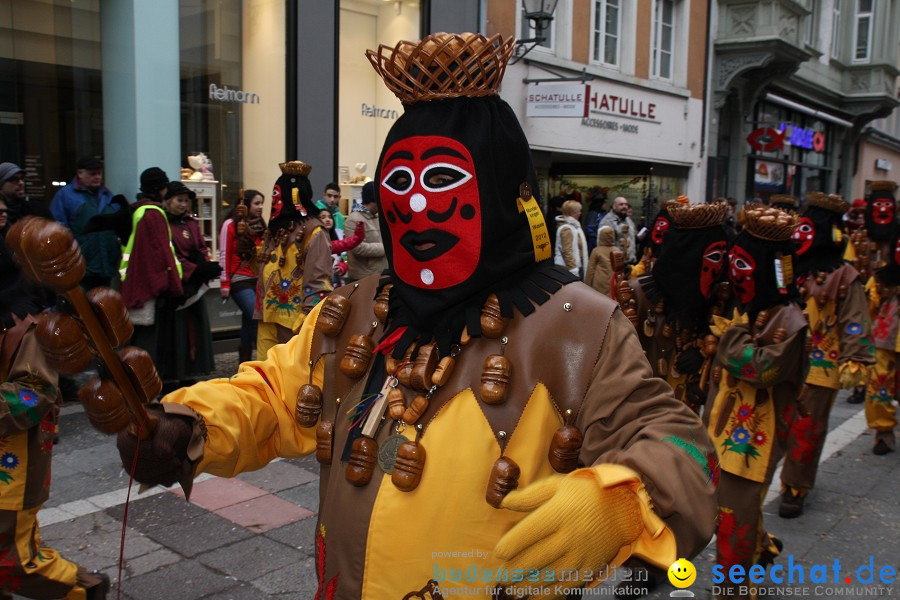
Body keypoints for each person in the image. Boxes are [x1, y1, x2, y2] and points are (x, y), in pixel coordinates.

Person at [114, 32, 717, 599]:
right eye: (400, 180)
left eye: (445, 177)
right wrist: (189, 424)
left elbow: (680, 447)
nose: (418, 204)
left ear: (500, 189)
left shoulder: (578, 324)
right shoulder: (356, 307)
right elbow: (276, 395)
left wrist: (622, 501)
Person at [704, 205, 808, 600]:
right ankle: (761, 547)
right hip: (727, 428)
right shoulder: (747, 309)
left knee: (733, 513)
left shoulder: (790, 321)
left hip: (755, 440)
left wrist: (731, 336)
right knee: (732, 505)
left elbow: (761, 369)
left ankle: (733, 587)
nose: (736, 272)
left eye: (746, 264)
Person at [0, 231, 110, 600]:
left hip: (13, 471)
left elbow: (37, 394)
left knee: (14, 560)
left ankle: (82, 590)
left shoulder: (26, 330)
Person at [778, 192, 873, 518]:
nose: (803, 235)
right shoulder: (788, 268)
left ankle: (795, 486)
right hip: (782, 359)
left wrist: (855, 356)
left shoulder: (844, 276)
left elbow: (855, 320)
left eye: (810, 228)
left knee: (808, 428)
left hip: (821, 365)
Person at [630, 199, 729, 412]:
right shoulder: (638, 294)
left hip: (686, 419)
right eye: (713, 257)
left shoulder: (719, 299)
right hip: (644, 416)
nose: (719, 267)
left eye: (723, 256)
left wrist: (703, 362)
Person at [254, 161, 334, 359]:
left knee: (289, 380)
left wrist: (306, 320)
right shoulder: (276, 229)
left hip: (294, 323)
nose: (275, 199)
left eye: (278, 193)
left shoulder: (314, 232)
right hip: (267, 317)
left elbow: (318, 281)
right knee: (264, 376)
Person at [118, 168, 185, 376]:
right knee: (149, 343)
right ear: (161, 189)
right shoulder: (153, 214)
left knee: (138, 339)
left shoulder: (137, 210)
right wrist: (174, 284)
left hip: (134, 282)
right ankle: (145, 387)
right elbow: (161, 253)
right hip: (149, 287)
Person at [158, 181, 220, 388]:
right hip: (176, 287)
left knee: (195, 329)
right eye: (179, 200)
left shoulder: (191, 223)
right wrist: (193, 271)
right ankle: (172, 375)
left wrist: (204, 264)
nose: (183, 204)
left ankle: (190, 372)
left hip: (195, 286)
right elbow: (169, 254)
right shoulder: (163, 222)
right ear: (168, 201)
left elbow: (201, 246)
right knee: (177, 332)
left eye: (186, 201)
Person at [864, 181, 900, 454]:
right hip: (887, 318)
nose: (883, 210)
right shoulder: (862, 238)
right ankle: (883, 430)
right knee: (880, 376)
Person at [49, 157, 122, 290]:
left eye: (99, 173)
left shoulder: (108, 195)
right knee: (82, 307)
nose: (97, 177)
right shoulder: (65, 195)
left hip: (105, 266)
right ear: (80, 173)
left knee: (102, 306)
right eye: (92, 174)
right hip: (80, 266)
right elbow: (58, 231)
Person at [221, 189, 267, 363]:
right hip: (238, 278)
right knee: (256, 316)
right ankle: (262, 360)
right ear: (245, 205)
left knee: (249, 320)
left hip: (256, 278)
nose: (260, 207)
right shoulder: (230, 225)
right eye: (256, 203)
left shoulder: (261, 226)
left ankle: (245, 362)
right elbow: (224, 253)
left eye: (262, 203)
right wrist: (225, 283)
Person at [343, 181, 387, 282]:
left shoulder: (377, 218)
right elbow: (357, 248)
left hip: (379, 275)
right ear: (373, 200)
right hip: (362, 278)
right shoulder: (353, 219)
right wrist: (385, 248)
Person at [317, 207, 365, 287]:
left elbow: (342, 260)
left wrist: (341, 267)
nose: (328, 220)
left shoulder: (334, 240)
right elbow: (350, 242)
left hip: (334, 285)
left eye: (330, 217)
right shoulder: (317, 243)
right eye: (323, 217)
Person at [553, 199, 588, 279]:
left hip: (571, 267)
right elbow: (566, 251)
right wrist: (573, 269)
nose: (580, 213)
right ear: (573, 213)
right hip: (567, 269)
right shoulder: (567, 229)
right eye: (579, 211)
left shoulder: (574, 226)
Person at [600, 196, 637, 264]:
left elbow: (632, 237)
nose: (624, 206)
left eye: (626, 204)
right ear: (614, 206)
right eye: (621, 204)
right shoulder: (608, 221)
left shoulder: (628, 220)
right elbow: (605, 246)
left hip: (630, 262)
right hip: (615, 264)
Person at [585, 225, 616, 297]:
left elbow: (590, 270)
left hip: (599, 283)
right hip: (613, 282)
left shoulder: (596, 251)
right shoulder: (617, 250)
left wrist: (587, 286)